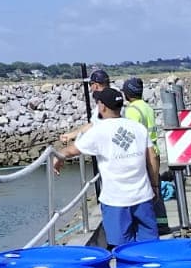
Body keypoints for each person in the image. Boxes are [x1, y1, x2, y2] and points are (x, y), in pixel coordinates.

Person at [54, 86, 160, 247]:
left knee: (121, 248)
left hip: (115, 200)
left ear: (102, 106)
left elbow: (72, 150)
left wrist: (59, 156)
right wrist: (155, 185)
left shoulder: (98, 131)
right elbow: (152, 157)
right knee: (151, 247)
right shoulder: (138, 128)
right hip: (143, 196)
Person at [121, 77, 171, 234]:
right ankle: (162, 224)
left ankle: (146, 227)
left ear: (127, 94)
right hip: (154, 151)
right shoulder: (147, 107)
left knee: (144, 191)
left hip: (143, 154)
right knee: (156, 188)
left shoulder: (131, 111)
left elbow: (131, 136)